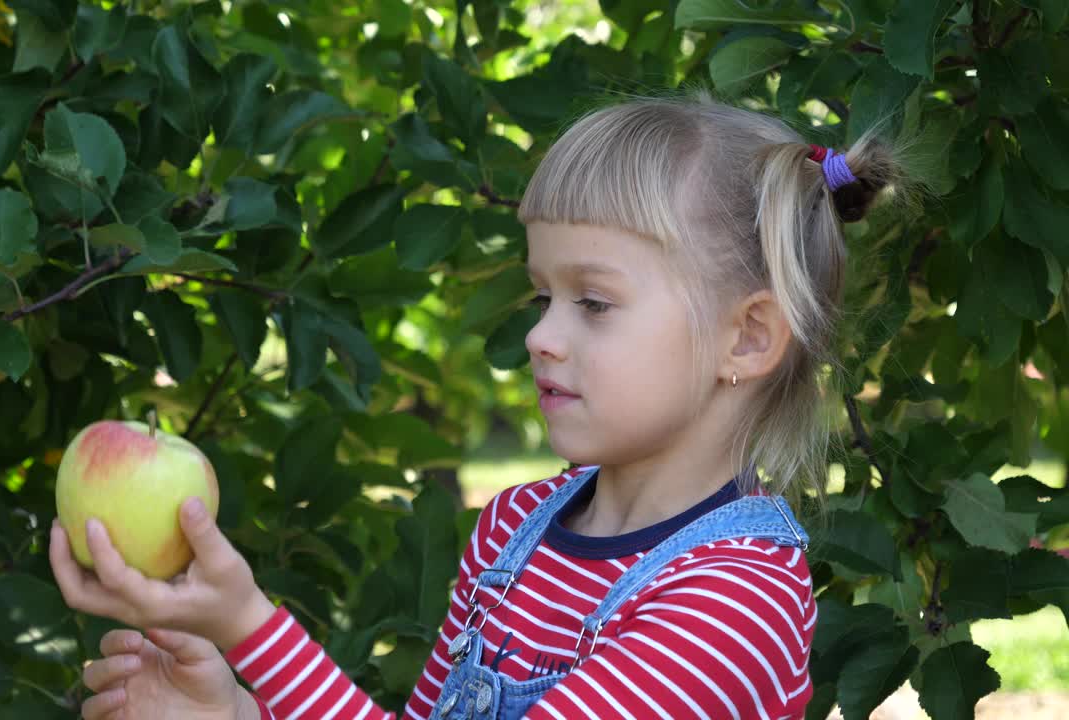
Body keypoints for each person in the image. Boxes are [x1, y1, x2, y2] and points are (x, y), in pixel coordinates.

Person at [50, 92, 902, 720]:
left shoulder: (729, 604)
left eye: (593, 303)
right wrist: (230, 714)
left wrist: (248, 626)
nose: (541, 337)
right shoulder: (514, 530)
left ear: (747, 338)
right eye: (541, 298)